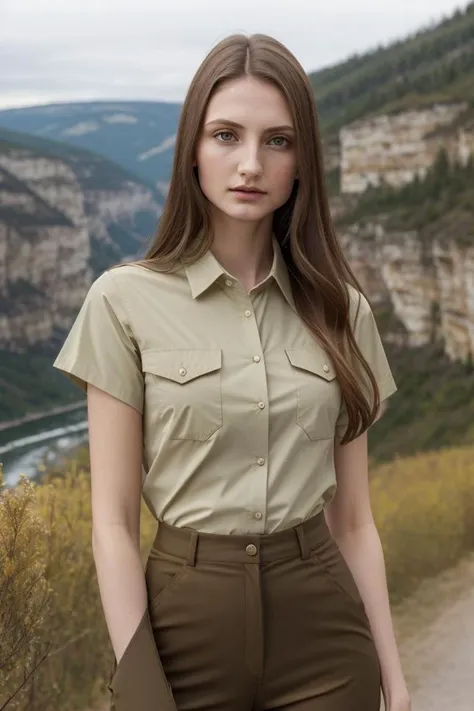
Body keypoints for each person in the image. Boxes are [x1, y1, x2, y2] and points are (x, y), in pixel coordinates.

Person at [53, 33, 410, 711]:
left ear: (303, 159)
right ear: (192, 147)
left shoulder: (343, 311)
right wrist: (138, 680)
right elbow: (114, 524)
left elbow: (356, 521)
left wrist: (394, 676)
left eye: (278, 140)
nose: (250, 163)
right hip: (183, 630)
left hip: (325, 637)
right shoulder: (122, 302)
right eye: (226, 135)